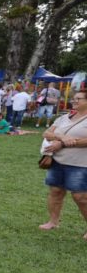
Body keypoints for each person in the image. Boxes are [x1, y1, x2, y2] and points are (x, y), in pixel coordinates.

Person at [39, 89, 87, 239]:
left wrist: (62, 144)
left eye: (78, 99)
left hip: (80, 164)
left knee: (80, 197)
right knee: (55, 192)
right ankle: (53, 222)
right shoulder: (65, 117)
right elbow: (47, 133)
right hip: (58, 161)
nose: (74, 101)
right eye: (74, 98)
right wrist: (61, 137)